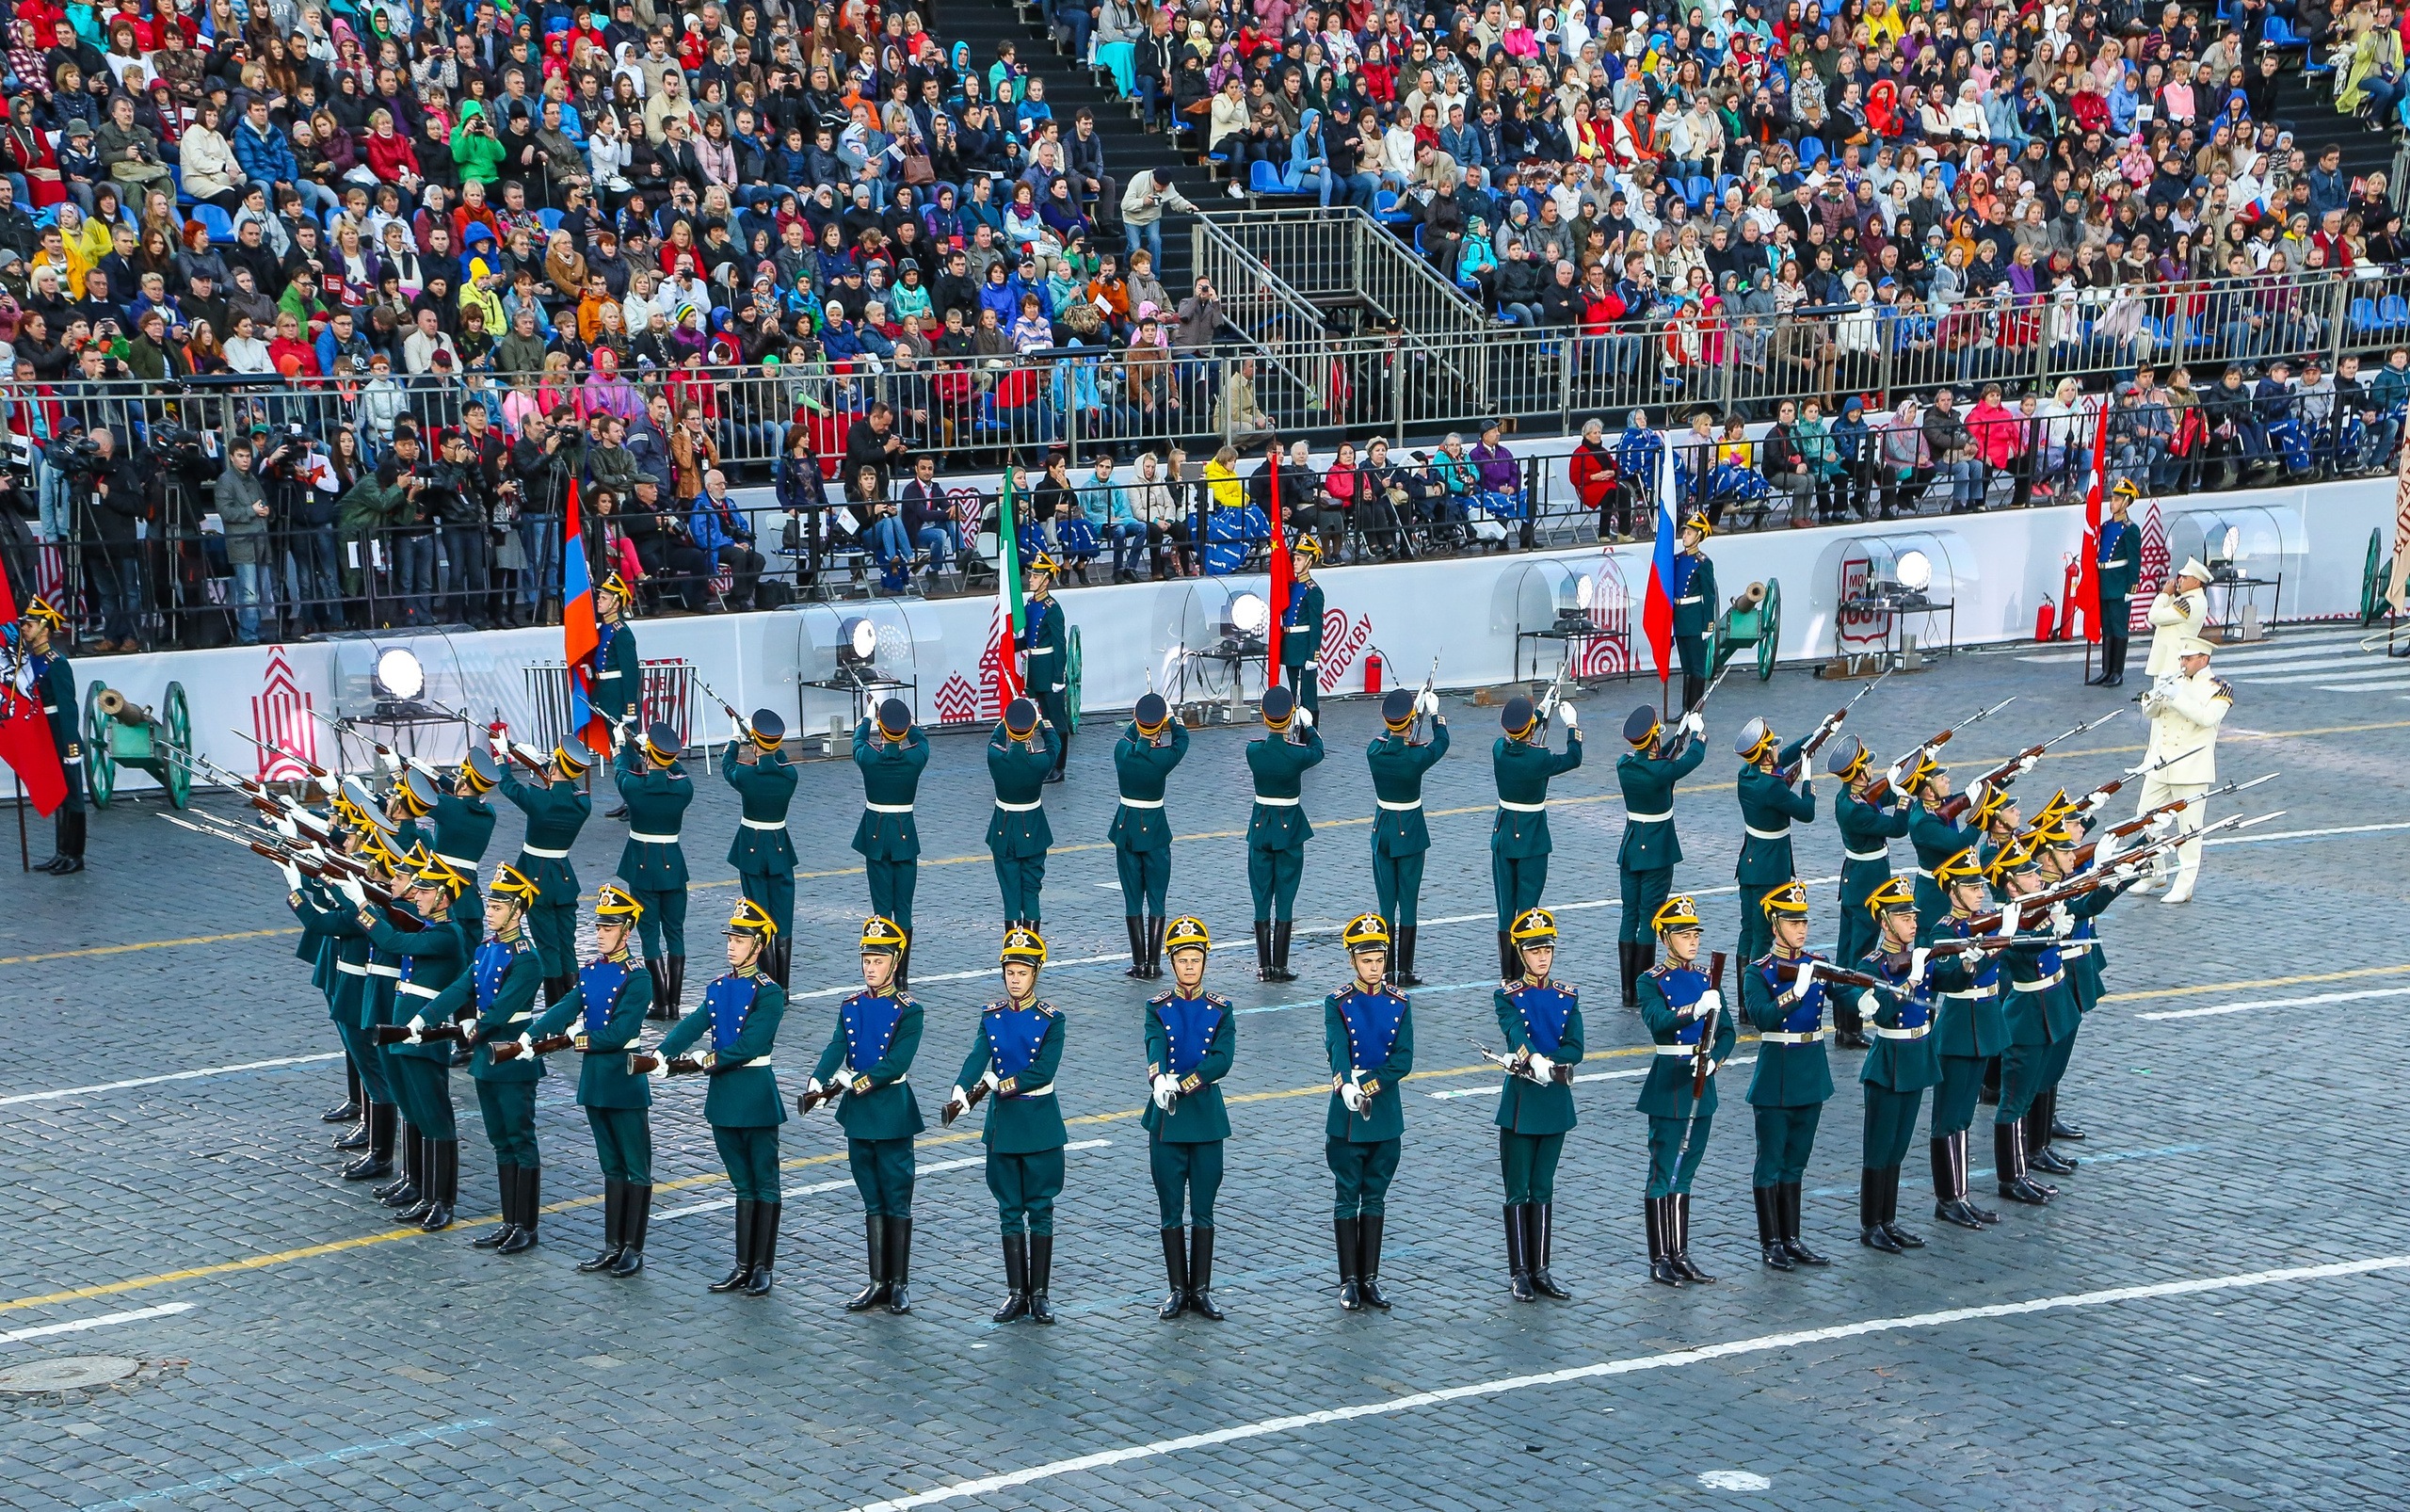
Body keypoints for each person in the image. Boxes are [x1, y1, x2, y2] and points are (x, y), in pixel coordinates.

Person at [645, 900, 788, 1296]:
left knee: (764, 1182)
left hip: (754, 1095)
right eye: (731, 938)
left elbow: (749, 1045)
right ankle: (743, 1265)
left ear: (758, 946)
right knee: (742, 1183)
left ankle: (763, 1267)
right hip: (724, 1098)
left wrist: (699, 1062)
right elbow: (694, 1023)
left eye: (740, 940)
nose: (731, 945)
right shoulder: (720, 987)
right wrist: (662, 1052)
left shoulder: (769, 993)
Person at [517, 884, 658, 1279]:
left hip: (623, 1080)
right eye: (598, 927)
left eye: (608, 928)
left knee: (635, 1166)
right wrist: (532, 1033)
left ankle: (633, 1248)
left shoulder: (638, 978)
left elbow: (619, 1033)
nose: (600, 933)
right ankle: (612, 1245)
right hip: (596, 1080)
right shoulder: (593, 970)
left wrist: (572, 1039)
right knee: (610, 1165)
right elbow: (567, 1005)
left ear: (626, 932)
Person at [944, 925, 1068, 1326]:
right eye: (1010, 972)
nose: (1015, 980)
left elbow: (1043, 1071)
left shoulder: (1052, 1020)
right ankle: (1017, 1293)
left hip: (1039, 1123)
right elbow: (978, 1055)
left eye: (1022, 973)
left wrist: (1002, 1084)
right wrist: (962, 1087)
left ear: (1036, 974)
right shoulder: (992, 1016)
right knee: (1009, 1210)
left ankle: (1040, 1294)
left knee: (1041, 1209)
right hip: (1003, 1127)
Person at [804, 916, 924, 1315]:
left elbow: (896, 1063)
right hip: (858, 1115)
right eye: (867, 961)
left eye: (878, 961)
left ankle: (899, 1283)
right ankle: (877, 1282)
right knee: (871, 1198)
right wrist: (817, 1079)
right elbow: (837, 1045)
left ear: (895, 963)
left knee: (897, 1198)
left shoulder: (909, 1011)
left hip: (890, 1111)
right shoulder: (851, 1006)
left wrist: (854, 1081)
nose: (871, 968)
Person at [434, 864, 547, 1255]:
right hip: (487, 1057)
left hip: (512, 1056)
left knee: (520, 1138)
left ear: (517, 911)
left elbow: (503, 1009)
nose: (489, 912)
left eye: (498, 907)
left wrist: (475, 1027)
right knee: (500, 1141)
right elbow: (460, 987)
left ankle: (526, 1226)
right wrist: (423, 1018)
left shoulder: (527, 958)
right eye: (490, 905)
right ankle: (509, 1221)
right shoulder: (486, 949)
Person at [358, 852, 470, 1232]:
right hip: (401, 1029)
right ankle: (418, 1184)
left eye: (424, 891)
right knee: (412, 1110)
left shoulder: (446, 935)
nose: (417, 896)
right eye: (417, 890)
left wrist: (359, 905)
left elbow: (390, 939)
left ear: (443, 897)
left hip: (423, 1037)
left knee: (435, 1119)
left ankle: (442, 1199)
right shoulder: (428, 928)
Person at [1635, 895, 1732, 1287]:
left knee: (1686, 1173)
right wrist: (1694, 1010)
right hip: (1669, 1082)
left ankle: (1681, 1252)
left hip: (1700, 1081)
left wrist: (1714, 1061)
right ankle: (1660, 1257)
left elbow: (1727, 1033)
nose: (1692, 941)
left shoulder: (1708, 978)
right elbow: (1657, 1021)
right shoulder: (1651, 980)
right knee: (1663, 1172)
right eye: (1683, 934)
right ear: (1665, 939)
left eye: (1695, 934)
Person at [1741, 882, 1834, 1272]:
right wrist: (1794, 993)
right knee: (1771, 1161)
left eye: (1804, 922)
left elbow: (1846, 993)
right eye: (1792, 923)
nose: (1801, 929)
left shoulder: (1817, 962)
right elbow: (1762, 1017)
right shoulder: (1758, 971)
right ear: (1775, 926)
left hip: (1811, 1071)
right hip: (1777, 1074)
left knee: (1796, 1161)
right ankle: (1771, 1242)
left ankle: (1791, 1238)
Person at [1145, 915, 1233, 1321]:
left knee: (1203, 1208)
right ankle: (1177, 1290)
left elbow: (1221, 1060)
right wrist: (1158, 1077)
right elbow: (1154, 1046)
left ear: (1204, 962)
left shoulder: (1220, 1010)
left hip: (1204, 1118)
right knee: (1169, 1209)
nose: (1189, 966)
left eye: (1195, 959)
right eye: (1182, 960)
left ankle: (1201, 1290)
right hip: (1166, 1122)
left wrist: (1181, 1083)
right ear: (1172, 962)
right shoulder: (1158, 1008)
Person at [1493, 908, 1583, 1303]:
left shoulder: (1567, 996)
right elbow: (1515, 1032)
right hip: (1522, 1103)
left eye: (1547, 949)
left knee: (1543, 1187)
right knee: (1518, 1189)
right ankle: (1519, 1272)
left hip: (1554, 1100)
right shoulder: (1508, 996)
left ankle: (1541, 1269)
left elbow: (1576, 1047)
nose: (1542, 957)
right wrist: (1533, 1059)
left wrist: (1551, 1064)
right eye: (1534, 950)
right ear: (1521, 953)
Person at [1846, 881, 1940, 1254]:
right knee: (1879, 1146)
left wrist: (1971, 960)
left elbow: (1953, 981)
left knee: (1899, 1146)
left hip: (1917, 1055)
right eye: (1904, 918)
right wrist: (1912, 979)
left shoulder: (1919, 954)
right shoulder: (1871, 965)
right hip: (1890, 1058)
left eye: (1913, 917)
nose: (1913, 924)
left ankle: (1889, 1220)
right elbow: (1883, 1012)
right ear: (1885, 923)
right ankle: (1872, 1224)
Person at [1326, 913, 1411, 1312]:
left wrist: (1368, 1085)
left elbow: (1403, 1060)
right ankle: (1348, 1281)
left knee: (1375, 1197)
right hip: (1347, 1114)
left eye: (1379, 960)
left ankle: (1370, 1279)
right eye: (1366, 960)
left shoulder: (1400, 1003)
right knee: (1347, 1196)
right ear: (1352, 961)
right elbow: (1337, 1048)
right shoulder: (1338, 1003)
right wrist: (1345, 1084)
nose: (1374, 967)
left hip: (1384, 1114)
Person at [1987, 840, 2077, 1208]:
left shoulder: (2035, 908)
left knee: (2034, 1090)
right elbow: (2021, 945)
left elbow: (2083, 905)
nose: (2037, 878)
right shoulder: (2008, 919)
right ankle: (2011, 1177)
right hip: (2025, 1015)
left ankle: (2028, 1163)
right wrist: (2051, 931)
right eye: (2027, 876)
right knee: (2014, 1102)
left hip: (2048, 1009)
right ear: (2011, 886)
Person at [1927, 847, 2010, 1230]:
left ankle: (1961, 1194)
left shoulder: (1985, 921)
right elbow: (1949, 979)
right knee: (1948, 1116)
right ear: (1953, 891)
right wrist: (1979, 956)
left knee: (1964, 1117)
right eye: (1971, 887)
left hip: (1985, 1021)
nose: (1979, 892)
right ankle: (1947, 1199)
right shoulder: (1943, 930)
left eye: (1980, 886)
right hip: (1960, 1026)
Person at [1615, 702, 1706, 1005]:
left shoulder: (1625, 765)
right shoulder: (1660, 771)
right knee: (1649, 915)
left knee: (1629, 914)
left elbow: (1659, 759)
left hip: (1631, 847)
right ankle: (1642, 988)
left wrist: (1678, 736)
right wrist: (1697, 735)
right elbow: (1692, 759)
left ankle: (1627, 991)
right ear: (1654, 739)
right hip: (1657, 851)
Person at [1488, 693, 1583, 979]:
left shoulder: (1498, 750)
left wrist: (1542, 708)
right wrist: (1572, 726)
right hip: (1532, 838)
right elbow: (1574, 758)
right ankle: (1524, 974)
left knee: (1506, 909)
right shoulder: (1540, 759)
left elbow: (1520, 735)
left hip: (1504, 835)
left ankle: (1508, 974)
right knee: (1528, 908)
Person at [496, 736, 595, 1004]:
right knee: (567, 944)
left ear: (554, 767)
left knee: (548, 946)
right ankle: (572, 1006)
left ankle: (554, 1010)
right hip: (563, 878)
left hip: (536, 878)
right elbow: (567, 788)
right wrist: (547, 767)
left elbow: (507, 785)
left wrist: (502, 757)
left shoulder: (539, 799)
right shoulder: (582, 803)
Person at [2132, 635, 2230, 904]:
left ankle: (2185, 884)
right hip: (2160, 763)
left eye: (2188, 658)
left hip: (2191, 767)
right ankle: (2154, 871)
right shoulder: (2176, 681)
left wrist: (2177, 696)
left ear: (2204, 659)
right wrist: (2155, 695)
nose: (2183, 663)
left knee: (2189, 829)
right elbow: (2152, 714)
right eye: (2181, 658)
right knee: (2145, 818)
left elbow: (2206, 718)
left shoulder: (2219, 688)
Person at [1828, 735, 1911, 1050]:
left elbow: (1879, 795)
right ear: (1859, 773)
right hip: (1868, 885)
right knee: (1859, 957)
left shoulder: (1849, 797)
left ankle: (1843, 1027)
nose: (1871, 770)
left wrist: (1897, 779)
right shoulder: (1856, 810)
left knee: (1846, 956)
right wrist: (1904, 798)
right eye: (1868, 767)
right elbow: (1897, 828)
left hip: (1855, 881)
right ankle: (1851, 1028)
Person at [1365, 685, 1448, 987]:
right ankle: (1406, 971)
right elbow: (1442, 742)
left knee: (1386, 905)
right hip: (1410, 832)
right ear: (1410, 723)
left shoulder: (1374, 751)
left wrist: (1408, 715)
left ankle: (1385, 970)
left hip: (1383, 830)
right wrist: (1433, 713)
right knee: (1409, 903)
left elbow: (1388, 736)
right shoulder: (1416, 757)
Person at [615, 721, 695, 1021]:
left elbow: (620, 770)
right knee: (675, 931)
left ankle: (661, 1003)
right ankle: (674, 1004)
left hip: (643, 866)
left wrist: (621, 745)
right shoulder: (683, 788)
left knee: (649, 933)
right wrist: (655, 751)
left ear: (648, 756)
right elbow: (675, 769)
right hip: (673, 865)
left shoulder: (634, 787)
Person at [1245, 683, 1325, 982]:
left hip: (1260, 829)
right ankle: (1280, 966)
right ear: (1290, 716)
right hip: (1289, 830)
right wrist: (1308, 726)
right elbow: (1317, 751)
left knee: (1261, 897)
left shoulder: (1253, 751)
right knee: (1286, 897)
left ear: (1264, 716)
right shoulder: (1297, 755)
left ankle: (1264, 967)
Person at [1111, 692, 1189, 979]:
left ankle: (1138, 963)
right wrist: (1170, 717)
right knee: (1157, 898)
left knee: (1132, 899)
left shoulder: (1122, 751)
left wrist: (1145, 718)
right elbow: (1182, 740)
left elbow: (1132, 734)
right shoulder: (1163, 758)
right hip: (1155, 830)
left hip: (1127, 829)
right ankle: (1154, 964)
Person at [852, 699, 927, 986]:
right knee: (904, 909)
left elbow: (858, 741)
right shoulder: (916, 758)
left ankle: (885, 973)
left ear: (881, 731)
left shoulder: (869, 758)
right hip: (904, 835)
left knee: (882, 909)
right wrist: (908, 723)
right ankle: (903, 976)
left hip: (876, 836)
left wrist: (867, 718)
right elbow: (921, 740)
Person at [721, 710, 797, 987]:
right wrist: (762, 742)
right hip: (779, 847)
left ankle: (768, 982)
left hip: (751, 847)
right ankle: (784, 987)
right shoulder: (790, 776)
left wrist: (735, 738)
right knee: (783, 917)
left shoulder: (745, 775)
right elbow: (781, 760)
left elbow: (727, 766)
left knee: (759, 915)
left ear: (754, 745)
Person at [1732, 716, 1816, 967]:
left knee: (1748, 930)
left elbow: (1783, 757)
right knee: (1763, 936)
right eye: (1773, 747)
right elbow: (1807, 813)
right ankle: (1754, 986)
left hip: (1750, 864)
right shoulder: (1772, 788)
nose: (1777, 749)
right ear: (1767, 755)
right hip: (1770, 869)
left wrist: (1816, 735)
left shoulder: (1746, 774)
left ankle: (1745, 989)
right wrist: (1807, 782)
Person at [13, 598, 85, 874]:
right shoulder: (31, 659)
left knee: (73, 794)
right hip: (44, 732)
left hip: (59, 733)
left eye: (29, 625)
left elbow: (67, 707)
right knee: (58, 791)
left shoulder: (57, 662)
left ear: (44, 629)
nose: (24, 629)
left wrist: (70, 744)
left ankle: (75, 855)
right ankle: (61, 852)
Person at [988, 697, 1059, 928]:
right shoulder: (1040, 762)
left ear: (1009, 728)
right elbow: (1054, 744)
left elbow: (995, 739)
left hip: (1003, 829)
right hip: (1033, 828)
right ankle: (1031, 945)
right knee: (1031, 891)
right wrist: (1040, 721)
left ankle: (1012, 944)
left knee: (1010, 894)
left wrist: (1006, 721)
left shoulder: (996, 757)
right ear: (1030, 732)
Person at [1019, 553, 1072, 781]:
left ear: (1046, 580)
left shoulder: (1052, 608)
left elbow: (1060, 645)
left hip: (1050, 670)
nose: (1030, 579)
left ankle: (1059, 767)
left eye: (1035, 576)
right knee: (1045, 721)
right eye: (1031, 575)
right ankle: (1050, 760)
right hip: (1036, 668)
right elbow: (1030, 639)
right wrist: (1008, 644)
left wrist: (1058, 677)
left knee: (1057, 720)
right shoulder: (1031, 604)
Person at [591, 572, 640, 817]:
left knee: (629, 751)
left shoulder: (622, 632)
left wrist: (629, 708)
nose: (598, 601)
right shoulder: (604, 629)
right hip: (606, 696)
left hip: (619, 698)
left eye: (604, 598)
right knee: (617, 750)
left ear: (616, 603)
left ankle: (637, 801)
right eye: (599, 597)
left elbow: (631, 673)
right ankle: (627, 798)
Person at [1904, 753, 1967, 944]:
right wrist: (1982, 819)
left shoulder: (1936, 803)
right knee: (1931, 943)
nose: (1947, 780)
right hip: (1933, 892)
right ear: (1930, 791)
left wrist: (2005, 778)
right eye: (1941, 779)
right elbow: (1959, 843)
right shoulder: (1923, 820)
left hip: (1946, 886)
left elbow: (1963, 799)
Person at [2090, 479, 2142, 686]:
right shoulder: (2105, 526)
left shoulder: (2130, 529)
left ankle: (2117, 672)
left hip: (2120, 584)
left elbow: (2135, 560)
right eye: (2112, 499)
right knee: (2108, 628)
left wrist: (2132, 586)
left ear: (2126, 502)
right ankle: (2106, 670)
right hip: (2105, 582)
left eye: (2117, 500)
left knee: (2119, 628)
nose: (2112, 503)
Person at [1668, 512, 1717, 710]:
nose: (1685, 536)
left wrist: (1708, 624)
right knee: (1686, 667)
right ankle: (1685, 710)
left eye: (1689, 533)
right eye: (1685, 532)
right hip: (1680, 618)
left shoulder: (1703, 563)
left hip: (1695, 619)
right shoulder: (1677, 559)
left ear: (1698, 536)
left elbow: (1709, 596)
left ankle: (1694, 711)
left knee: (1697, 668)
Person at [1276, 535, 1325, 720]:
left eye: (1299, 559)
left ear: (1309, 562)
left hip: (1304, 647)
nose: (1295, 563)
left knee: (1308, 699)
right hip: (1291, 645)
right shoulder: (1291, 586)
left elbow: (1316, 626)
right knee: (1293, 697)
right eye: (1294, 559)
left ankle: (1310, 733)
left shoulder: (1313, 591)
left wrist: (1313, 654)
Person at [2144, 555, 2211, 676]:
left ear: (2196, 582)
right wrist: (2171, 595)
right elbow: (2169, 613)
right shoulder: (2194, 598)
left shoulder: (2187, 603)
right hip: (2172, 661)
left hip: (2171, 664)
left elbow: (2154, 617)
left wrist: (2164, 594)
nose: (2179, 580)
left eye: (2185, 578)